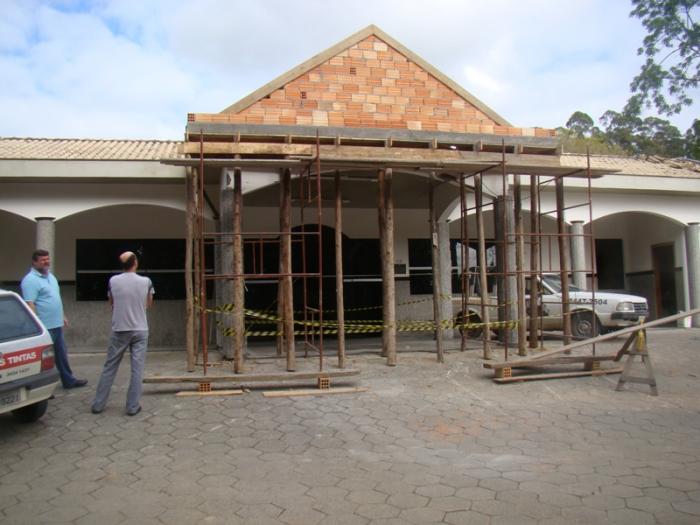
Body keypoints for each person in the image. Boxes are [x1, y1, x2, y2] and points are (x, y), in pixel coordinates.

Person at [91, 251, 154, 416]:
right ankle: (132, 406)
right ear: (135, 263)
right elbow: (149, 303)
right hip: (140, 329)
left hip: (119, 329)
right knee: (137, 369)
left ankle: (98, 404)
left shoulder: (113, 281)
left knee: (110, 367)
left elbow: (111, 303)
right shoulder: (146, 281)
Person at [21, 249, 88, 389]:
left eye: (47, 259)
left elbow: (56, 299)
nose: (46, 262)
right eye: (43, 260)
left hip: (56, 324)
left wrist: (62, 315)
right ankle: (43, 388)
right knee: (45, 359)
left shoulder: (50, 276)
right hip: (44, 327)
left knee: (61, 355)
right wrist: (37, 325)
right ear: (34, 262)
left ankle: (68, 380)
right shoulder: (30, 280)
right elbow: (30, 304)